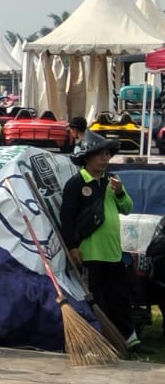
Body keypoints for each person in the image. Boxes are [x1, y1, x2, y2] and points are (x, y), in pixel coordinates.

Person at [60, 132, 137, 349]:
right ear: (87, 157)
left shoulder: (112, 181)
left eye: (107, 154)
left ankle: (129, 338)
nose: (105, 159)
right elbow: (67, 218)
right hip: (90, 253)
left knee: (119, 297)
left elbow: (128, 208)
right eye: (100, 155)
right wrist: (72, 247)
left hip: (113, 252)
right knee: (97, 299)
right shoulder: (76, 184)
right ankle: (103, 338)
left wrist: (120, 193)